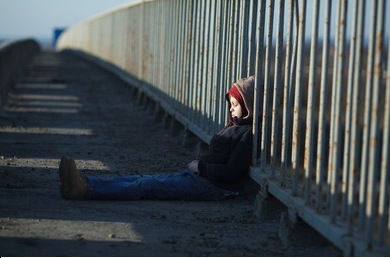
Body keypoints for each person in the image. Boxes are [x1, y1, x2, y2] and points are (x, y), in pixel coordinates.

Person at [59, 76, 255, 201]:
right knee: (141, 178)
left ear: (249, 106)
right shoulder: (232, 127)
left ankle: (84, 191)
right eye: (230, 104)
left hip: (212, 187)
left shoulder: (246, 134)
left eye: (235, 104)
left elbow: (231, 172)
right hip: (199, 178)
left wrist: (201, 167)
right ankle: (87, 183)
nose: (230, 109)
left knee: (146, 186)